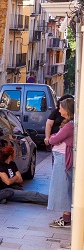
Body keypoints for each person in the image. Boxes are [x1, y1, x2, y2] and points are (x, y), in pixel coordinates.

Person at [47, 97, 75, 228]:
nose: (59, 110)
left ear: (66, 110)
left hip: (63, 159)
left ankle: (66, 218)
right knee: (63, 187)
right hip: (62, 157)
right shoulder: (70, 124)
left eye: (61, 108)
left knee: (62, 188)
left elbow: (54, 139)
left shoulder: (69, 126)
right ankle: (66, 216)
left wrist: (53, 138)